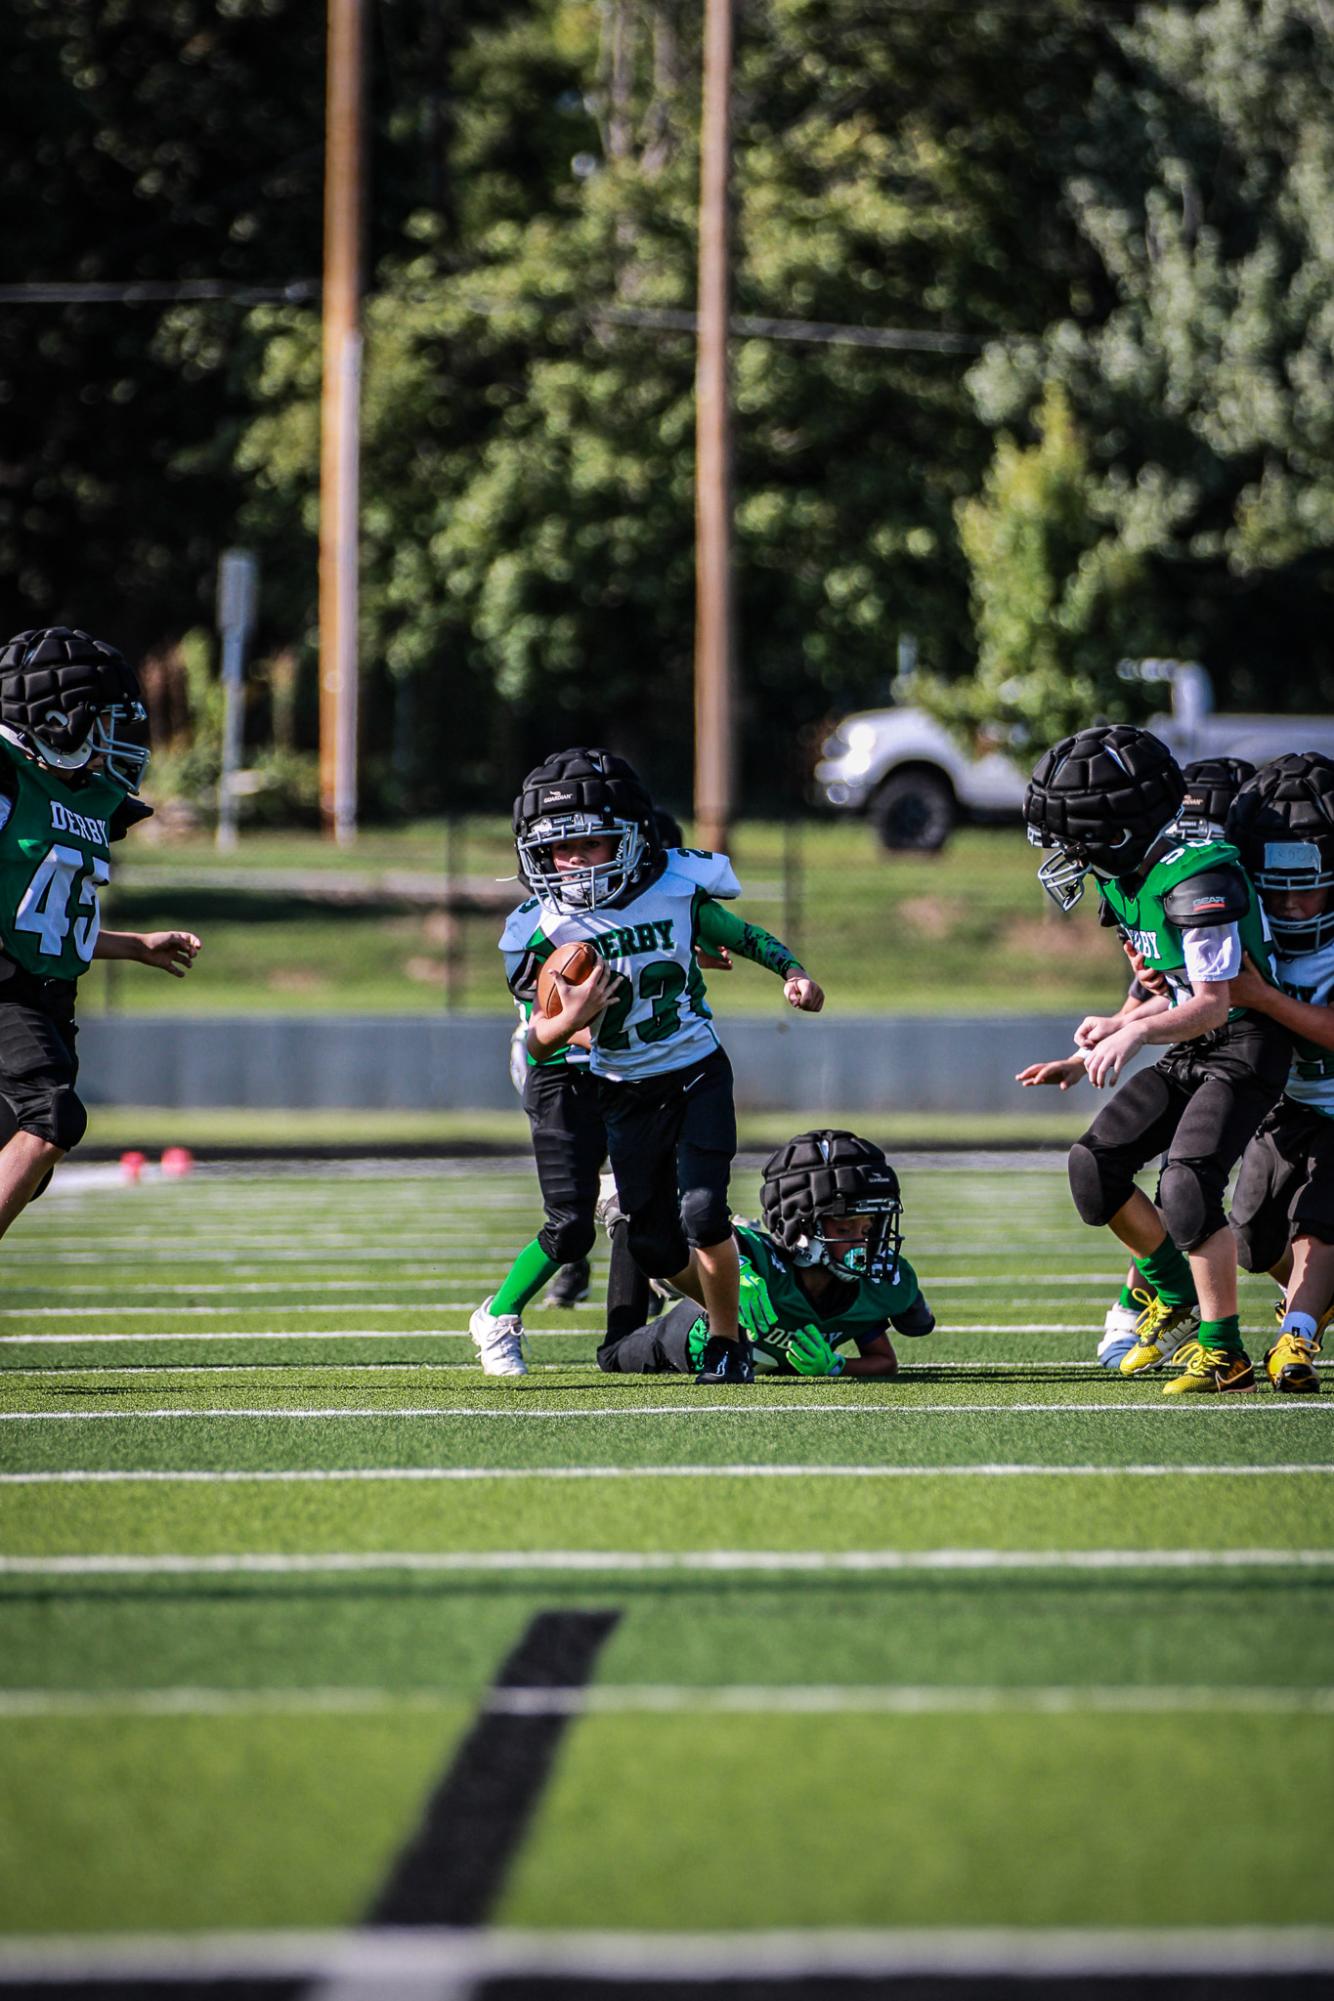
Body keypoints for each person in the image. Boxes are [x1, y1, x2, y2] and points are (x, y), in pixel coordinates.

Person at [476, 746, 824, 1385]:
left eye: (591, 844)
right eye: (559, 849)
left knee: (702, 1212)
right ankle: (728, 1317)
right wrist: (569, 1015)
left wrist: (793, 972)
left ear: (632, 840)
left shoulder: (673, 889)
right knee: (652, 1241)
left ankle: (726, 1341)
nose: (573, 862)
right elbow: (540, 1046)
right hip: (619, 1087)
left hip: (694, 1072)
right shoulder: (537, 928)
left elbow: (741, 935)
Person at [1021, 725, 1288, 1395]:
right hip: (1191, 1040)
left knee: (1189, 1183)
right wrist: (1108, 1033)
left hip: (1244, 1044)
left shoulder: (1197, 874)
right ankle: (1174, 1291)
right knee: (1093, 1165)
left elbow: (1217, 1004)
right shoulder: (1131, 869)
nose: (1065, 856)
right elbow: (1168, 990)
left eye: (1072, 840)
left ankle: (1223, 1350)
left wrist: (1134, 1037)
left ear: (1115, 831)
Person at [0, 626, 200, 1243]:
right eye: (102, 719)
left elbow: (48, 921)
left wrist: (133, 945)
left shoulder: (86, 798)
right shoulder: (8, 781)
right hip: (7, 987)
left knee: (27, 1159)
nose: (118, 736)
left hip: (49, 997)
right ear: (53, 718)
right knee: (51, 1117)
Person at [597, 1129, 933, 1377]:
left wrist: (837, 1366)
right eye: (844, 1229)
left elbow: (885, 1361)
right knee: (614, 1356)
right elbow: (705, 1237)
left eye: (868, 1229)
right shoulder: (760, 1259)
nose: (861, 1242)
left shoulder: (875, 1284)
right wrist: (736, 1268)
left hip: (753, 1357)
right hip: (686, 1342)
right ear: (801, 1225)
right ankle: (623, 1212)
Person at [1222, 753, 1334, 1393]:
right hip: (1285, 1104)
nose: (1291, 905)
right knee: (1253, 1239)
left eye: (1309, 885)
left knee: (1321, 1221)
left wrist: (1265, 999)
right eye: (1277, 886)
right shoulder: (1241, 922)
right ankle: (1312, 1296)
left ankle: (1299, 1334)